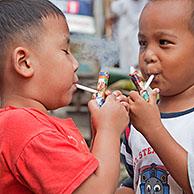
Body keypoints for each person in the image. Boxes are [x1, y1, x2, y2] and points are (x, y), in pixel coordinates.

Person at [0, 0, 130, 193]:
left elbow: (89, 179)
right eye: (66, 51)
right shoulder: (24, 128)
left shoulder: (28, 125)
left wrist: (99, 131)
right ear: (25, 63)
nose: (75, 63)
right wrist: (109, 129)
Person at [116, 0, 194, 193]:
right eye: (143, 43)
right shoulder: (136, 121)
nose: (148, 55)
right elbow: (135, 179)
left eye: (163, 42)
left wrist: (153, 129)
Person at [109, 0, 147, 74]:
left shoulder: (146, 3)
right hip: (125, 38)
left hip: (138, 37)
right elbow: (114, 9)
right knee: (125, 62)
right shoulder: (123, 3)